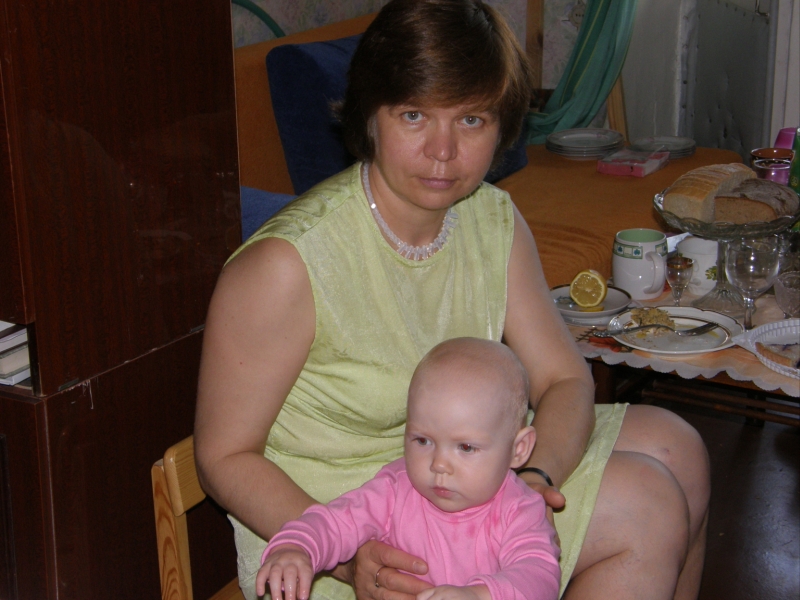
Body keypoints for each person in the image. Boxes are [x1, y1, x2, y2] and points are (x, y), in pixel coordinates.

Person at [194, 1, 711, 599]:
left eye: (471, 120)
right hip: (340, 525)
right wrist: (348, 559)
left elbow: (565, 379)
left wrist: (534, 480)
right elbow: (224, 455)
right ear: (370, 116)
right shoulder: (286, 265)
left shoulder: (491, 219)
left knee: (679, 446)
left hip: (467, 473)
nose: (443, 150)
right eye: (414, 115)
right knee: (646, 506)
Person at [256, 338, 560, 600]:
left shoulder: (519, 509)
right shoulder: (394, 491)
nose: (439, 464)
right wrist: (297, 547)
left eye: (466, 447)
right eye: (423, 440)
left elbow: (539, 576)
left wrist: (479, 595)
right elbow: (336, 523)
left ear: (518, 449)